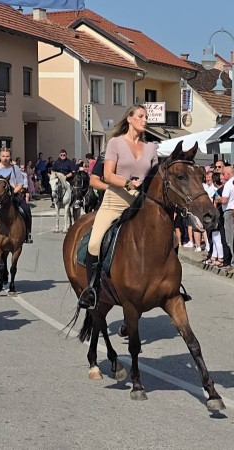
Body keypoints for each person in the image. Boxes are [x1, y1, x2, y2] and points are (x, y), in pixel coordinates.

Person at [78, 105, 158, 310]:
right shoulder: (115, 143)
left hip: (140, 204)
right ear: (130, 119)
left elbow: (154, 177)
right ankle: (92, 289)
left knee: (170, 238)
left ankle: (167, 283)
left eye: (146, 117)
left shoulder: (151, 147)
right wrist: (127, 183)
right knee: (94, 243)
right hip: (115, 202)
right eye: (141, 116)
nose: (145, 120)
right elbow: (107, 175)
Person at [0, 148, 33, 246]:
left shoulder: (15, 168)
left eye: (7, 156)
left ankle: (28, 233)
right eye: (3, 156)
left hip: (12, 195)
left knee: (26, 209)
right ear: (0, 156)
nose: (5, 158)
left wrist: (11, 193)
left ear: (10, 157)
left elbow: (20, 184)